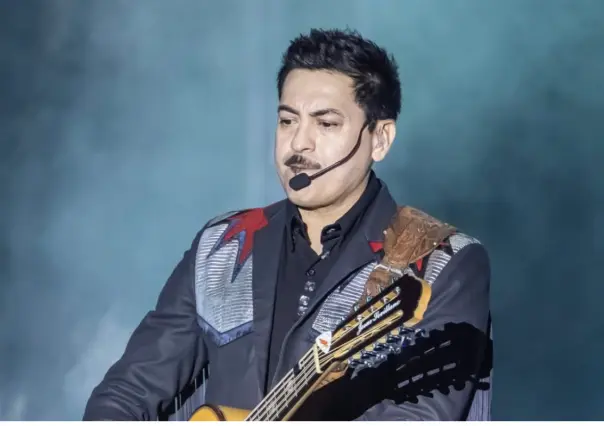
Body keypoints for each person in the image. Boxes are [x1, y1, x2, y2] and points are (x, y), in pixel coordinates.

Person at [83, 28, 492, 421]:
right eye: (287, 120)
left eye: (326, 123)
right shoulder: (221, 245)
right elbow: (128, 390)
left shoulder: (442, 260)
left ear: (380, 138)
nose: (298, 143)